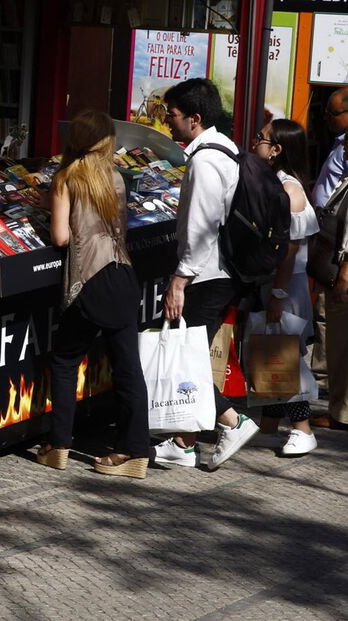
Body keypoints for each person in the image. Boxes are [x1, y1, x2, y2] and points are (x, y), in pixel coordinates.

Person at [38, 109, 149, 479]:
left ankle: (58, 444)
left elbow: (60, 237)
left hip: (88, 278)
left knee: (66, 360)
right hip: (122, 274)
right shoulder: (116, 178)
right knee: (128, 368)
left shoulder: (66, 178)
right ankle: (134, 450)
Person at [157, 78, 259, 470]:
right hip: (221, 271)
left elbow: (201, 227)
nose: (168, 121)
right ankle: (183, 443)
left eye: (173, 114)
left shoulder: (204, 160)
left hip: (207, 274)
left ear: (195, 119)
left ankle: (232, 421)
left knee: (187, 361)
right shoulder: (225, 149)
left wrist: (179, 281)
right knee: (193, 354)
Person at [251, 119, 320, 455]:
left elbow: (289, 250)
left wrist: (278, 294)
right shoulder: (275, 182)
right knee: (270, 351)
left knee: (284, 356)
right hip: (276, 283)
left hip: (286, 285)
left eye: (261, 138)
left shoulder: (289, 190)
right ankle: (269, 424)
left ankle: (303, 428)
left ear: (277, 149)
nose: (255, 142)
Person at [310, 87, 348, 430]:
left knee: (339, 338)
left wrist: (345, 271)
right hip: (331, 251)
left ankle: (340, 414)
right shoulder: (338, 147)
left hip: (341, 263)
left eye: (332, 114)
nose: (326, 120)